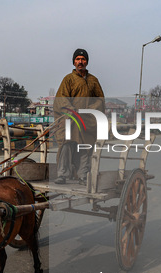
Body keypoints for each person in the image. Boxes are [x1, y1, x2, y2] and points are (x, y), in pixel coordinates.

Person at [53, 48, 105, 185]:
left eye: (83, 59)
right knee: (66, 145)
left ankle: (83, 176)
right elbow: (61, 98)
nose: (80, 62)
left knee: (84, 147)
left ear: (87, 61)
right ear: (74, 62)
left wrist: (90, 110)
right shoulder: (68, 79)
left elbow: (100, 99)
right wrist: (71, 110)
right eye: (77, 59)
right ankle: (62, 175)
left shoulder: (93, 81)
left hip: (86, 120)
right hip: (69, 119)